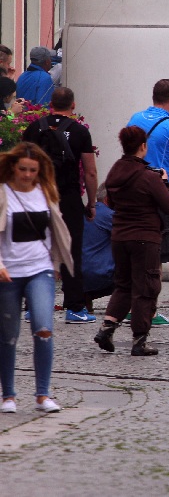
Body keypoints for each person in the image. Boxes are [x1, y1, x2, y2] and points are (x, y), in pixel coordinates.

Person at [0, 142, 73, 414]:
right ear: (13, 167)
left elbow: (55, 230)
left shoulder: (46, 191)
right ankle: (8, 395)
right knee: (8, 336)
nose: (28, 175)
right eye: (23, 169)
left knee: (43, 328)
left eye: (33, 170)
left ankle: (43, 395)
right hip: (8, 273)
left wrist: (55, 262)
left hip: (40, 270)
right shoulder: (3, 192)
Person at [93, 127, 169, 356]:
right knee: (145, 287)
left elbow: (111, 201)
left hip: (119, 236)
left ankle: (107, 328)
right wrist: (167, 185)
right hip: (144, 237)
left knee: (123, 284)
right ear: (143, 146)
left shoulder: (115, 172)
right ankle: (139, 340)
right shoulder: (148, 177)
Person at [22, 87, 98, 324]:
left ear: (50, 105)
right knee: (71, 250)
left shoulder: (34, 128)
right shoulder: (79, 132)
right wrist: (92, 203)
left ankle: (33, 307)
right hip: (68, 197)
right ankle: (74, 307)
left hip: (37, 197)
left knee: (37, 248)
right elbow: (90, 172)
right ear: (73, 105)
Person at [126, 79, 169, 264]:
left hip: (134, 190)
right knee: (157, 252)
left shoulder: (135, 119)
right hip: (159, 193)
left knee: (136, 247)